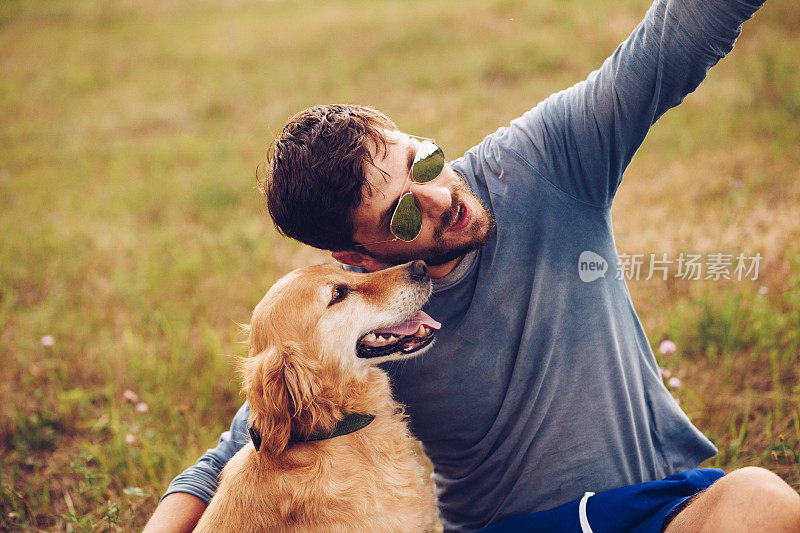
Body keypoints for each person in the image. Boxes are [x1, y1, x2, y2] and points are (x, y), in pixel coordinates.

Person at [144, 0, 800, 531]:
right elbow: (233, 456)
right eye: (403, 215)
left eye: (422, 160)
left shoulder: (548, 160)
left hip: (663, 509)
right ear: (359, 256)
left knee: (761, 501)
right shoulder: (361, 325)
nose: (440, 196)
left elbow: (674, 40)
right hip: (509, 528)